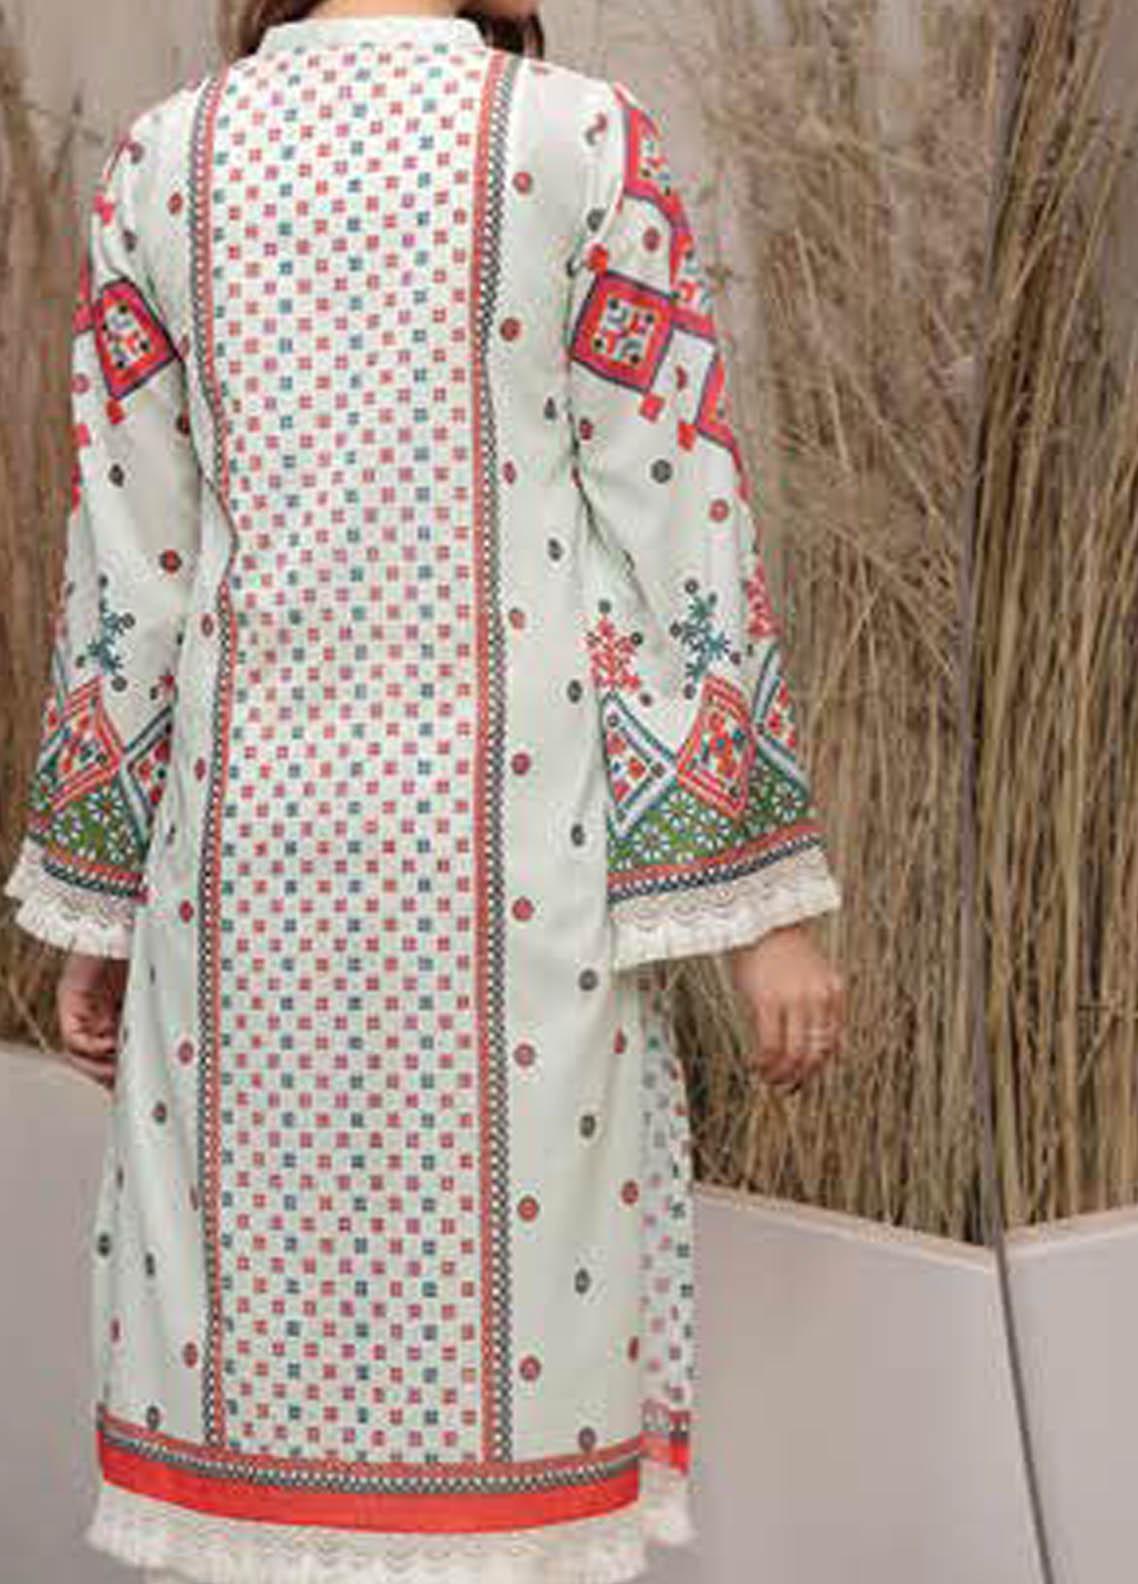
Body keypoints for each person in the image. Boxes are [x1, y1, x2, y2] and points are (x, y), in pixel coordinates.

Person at [3, 1, 846, 1580]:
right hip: (511, 884)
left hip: (244, 891)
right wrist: (762, 917)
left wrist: (101, 909)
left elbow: (127, 568)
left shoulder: (165, 165)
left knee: (258, 1405)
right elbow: (672, 529)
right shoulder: (576, 142)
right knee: (505, 1414)